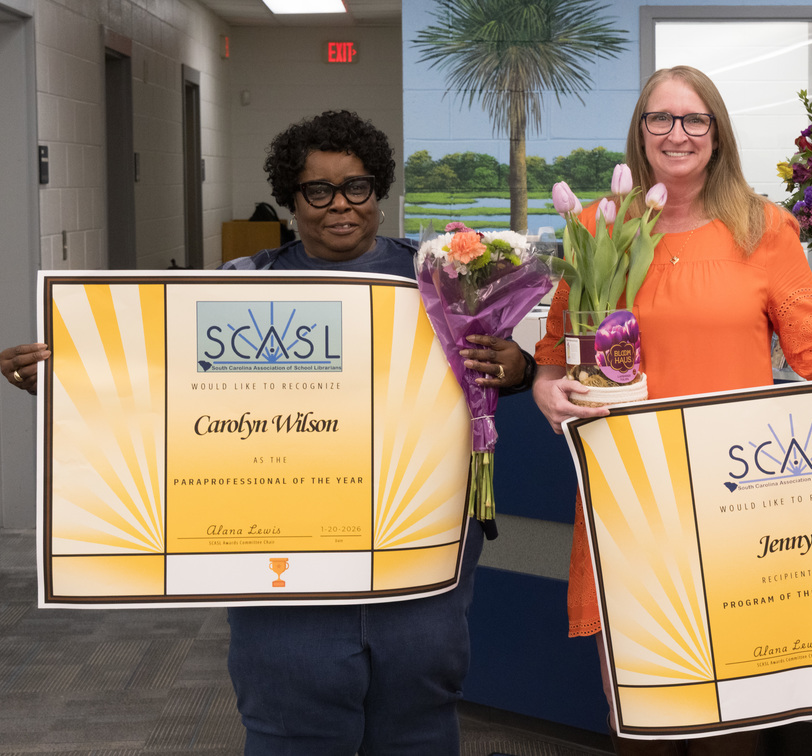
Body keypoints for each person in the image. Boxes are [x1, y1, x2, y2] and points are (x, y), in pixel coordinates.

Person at [1, 109, 536, 755]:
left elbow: (499, 362)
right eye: (318, 191)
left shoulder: (441, 281)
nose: (340, 206)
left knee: (418, 720)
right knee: (293, 722)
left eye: (357, 187)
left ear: (379, 189)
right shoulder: (239, 286)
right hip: (287, 557)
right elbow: (165, 388)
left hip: (416, 551)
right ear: (290, 198)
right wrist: (65, 382)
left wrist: (517, 367)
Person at [531, 66, 812, 756]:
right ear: (640, 133)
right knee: (646, 713)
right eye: (660, 119)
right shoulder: (595, 226)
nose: (678, 133)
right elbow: (561, 348)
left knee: (735, 718)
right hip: (633, 499)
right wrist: (550, 389)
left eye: (695, 119)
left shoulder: (763, 227)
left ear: (717, 133)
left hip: (738, 505)